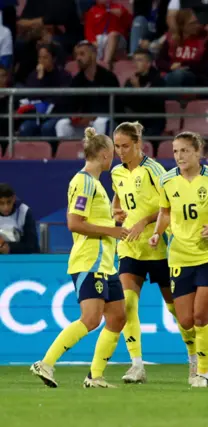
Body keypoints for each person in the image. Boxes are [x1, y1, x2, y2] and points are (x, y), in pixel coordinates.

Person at [30, 128, 129, 389]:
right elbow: (74, 223)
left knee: (118, 316)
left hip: (106, 263)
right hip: (89, 261)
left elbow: (92, 220)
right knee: (91, 319)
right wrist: (113, 229)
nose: (115, 159)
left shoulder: (95, 184)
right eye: (113, 154)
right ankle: (46, 363)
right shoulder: (84, 182)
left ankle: (95, 377)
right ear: (106, 155)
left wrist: (112, 219)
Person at [149, 132, 208, 388]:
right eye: (176, 151)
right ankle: (197, 352)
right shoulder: (167, 180)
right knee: (186, 321)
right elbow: (165, 212)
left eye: (184, 151)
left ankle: (202, 372)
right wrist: (157, 233)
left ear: (197, 152)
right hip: (179, 256)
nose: (179, 156)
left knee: (200, 315)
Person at [111, 122, 197, 384]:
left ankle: (195, 359)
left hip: (158, 248)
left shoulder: (154, 171)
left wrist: (144, 222)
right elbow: (118, 197)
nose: (121, 151)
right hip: (130, 247)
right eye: (117, 146)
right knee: (127, 305)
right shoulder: (116, 172)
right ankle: (137, 365)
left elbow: (168, 206)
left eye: (126, 146)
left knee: (177, 310)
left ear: (138, 144)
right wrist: (117, 211)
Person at [0, 183, 39, 254]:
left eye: (9, 202)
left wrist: (10, 248)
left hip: (22, 259)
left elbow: (32, 246)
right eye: (1, 203)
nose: (6, 207)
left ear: (14, 198)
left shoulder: (24, 212)